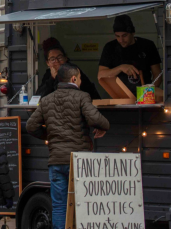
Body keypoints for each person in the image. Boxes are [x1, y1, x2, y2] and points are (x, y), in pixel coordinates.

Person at [26, 64, 110, 229]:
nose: (80, 81)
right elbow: (95, 119)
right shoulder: (82, 96)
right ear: (74, 79)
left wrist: (49, 135)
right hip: (79, 161)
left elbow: (30, 126)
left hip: (56, 161)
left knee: (59, 206)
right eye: (79, 78)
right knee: (83, 203)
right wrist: (104, 126)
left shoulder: (47, 100)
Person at [98, 15, 162, 95]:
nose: (121, 40)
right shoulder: (110, 47)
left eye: (124, 35)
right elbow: (101, 75)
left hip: (145, 97)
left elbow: (158, 74)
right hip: (121, 98)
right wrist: (121, 68)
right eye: (117, 36)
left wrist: (149, 92)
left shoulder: (147, 45)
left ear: (133, 33)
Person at [35, 37, 100, 101]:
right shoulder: (49, 75)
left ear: (65, 58)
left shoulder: (72, 71)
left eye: (59, 57)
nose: (57, 61)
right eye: (52, 59)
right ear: (48, 63)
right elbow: (37, 97)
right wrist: (52, 79)